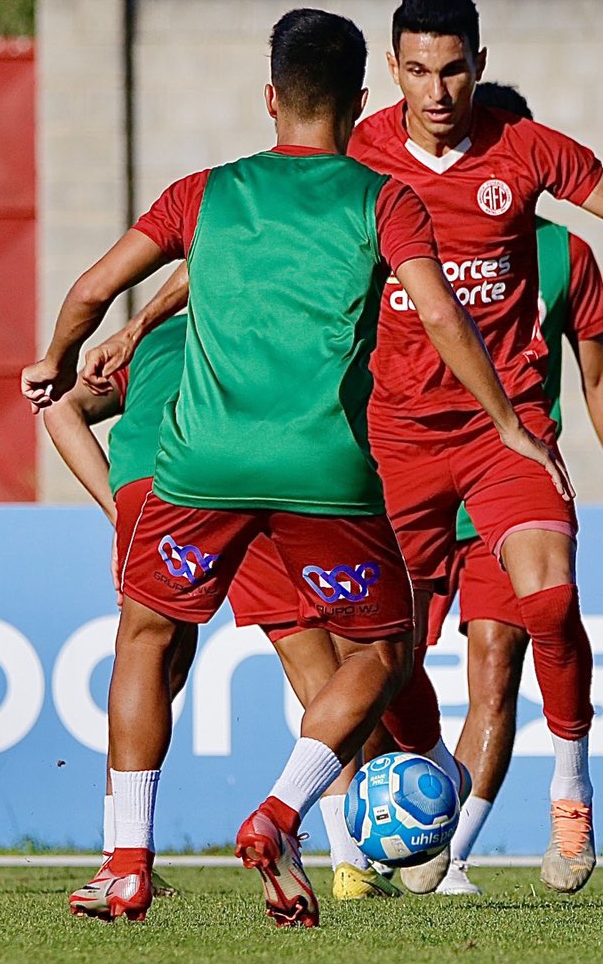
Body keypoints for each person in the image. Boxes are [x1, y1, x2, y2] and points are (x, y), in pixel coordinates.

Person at [95, 0, 603, 893]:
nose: (437, 89)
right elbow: (242, 254)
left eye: (453, 69)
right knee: (385, 658)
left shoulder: (526, 152)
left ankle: (570, 795)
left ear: (479, 65)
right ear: (391, 75)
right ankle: (420, 793)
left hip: (504, 435)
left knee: (550, 603)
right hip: (390, 442)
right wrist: (138, 329)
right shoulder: (359, 154)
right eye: (417, 70)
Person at [22, 8, 563, 928]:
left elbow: (89, 290)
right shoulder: (381, 199)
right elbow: (439, 317)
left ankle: (124, 865)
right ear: (361, 103)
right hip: (323, 471)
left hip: (199, 470)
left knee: (146, 638)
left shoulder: (205, 193)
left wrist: (58, 360)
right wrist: (508, 421)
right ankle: (279, 812)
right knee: (385, 654)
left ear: (269, 96)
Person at [42, 311, 400, 908]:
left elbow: (59, 407)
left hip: (154, 489)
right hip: (246, 478)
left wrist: (117, 510)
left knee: (148, 663)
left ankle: (122, 857)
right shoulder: (269, 324)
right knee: (320, 670)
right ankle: (348, 859)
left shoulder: (150, 338)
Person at [401, 83, 603, 895]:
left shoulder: (565, 256)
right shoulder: (397, 226)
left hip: (513, 468)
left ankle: (477, 845)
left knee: (501, 655)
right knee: (383, 658)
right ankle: (409, 818)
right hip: (412, 456)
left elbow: (600, 377)